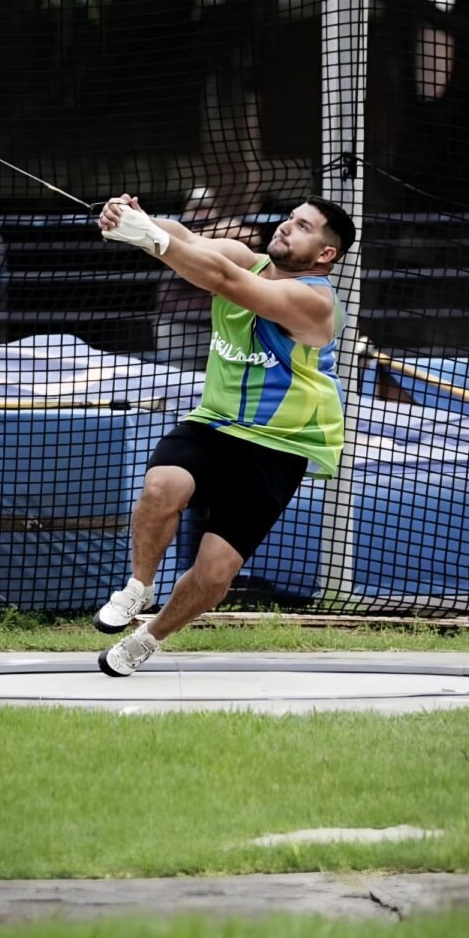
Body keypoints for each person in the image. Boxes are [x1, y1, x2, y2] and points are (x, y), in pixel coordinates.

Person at [93, 192, 356, 676]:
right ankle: (137, 587)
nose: (285, 227)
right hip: (214, 422)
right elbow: (188, 241)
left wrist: (149, 237)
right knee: (160, 487)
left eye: (302, 227)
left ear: (325, 255)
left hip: (279, 445)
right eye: (289, 219)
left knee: (215, 573)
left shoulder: (315, 304)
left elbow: (221, 281)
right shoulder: (247, 258)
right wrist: (134, 218)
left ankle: (149, 638)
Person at [152, 186, 263, 370]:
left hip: (217, 325)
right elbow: (184, 243)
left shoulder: (226, 228)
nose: (202, 213)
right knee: (177, 384)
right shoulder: (176, 229)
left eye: (206, 207)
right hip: (178, 323)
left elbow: (253, 238)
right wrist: (215, 231)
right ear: (187, 211)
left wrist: (221, 230)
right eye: (196, 209)